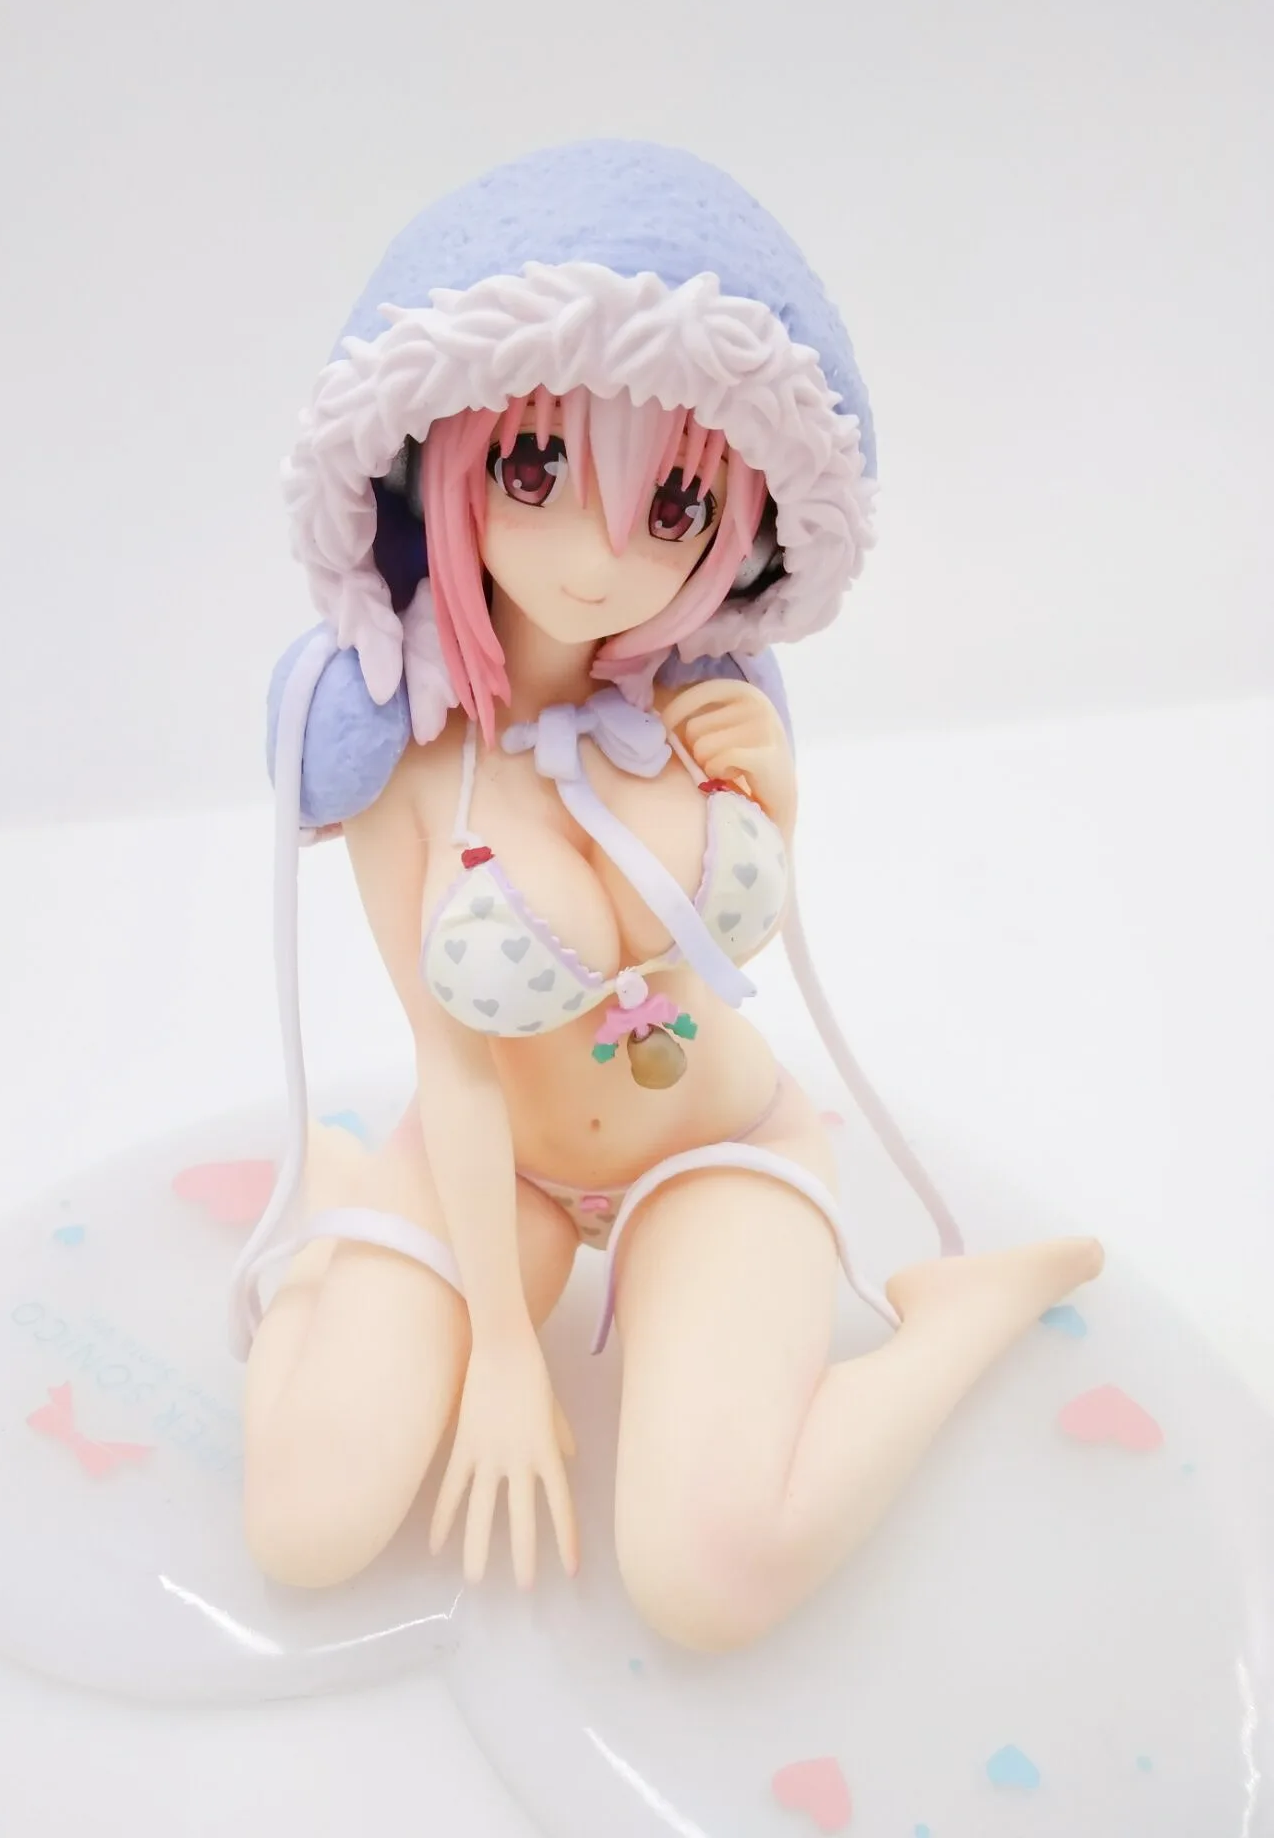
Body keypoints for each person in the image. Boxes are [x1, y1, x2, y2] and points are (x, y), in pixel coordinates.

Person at [230, 141, 1102, 1653]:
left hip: (717, 1145)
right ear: (447, 460)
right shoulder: (405, 752)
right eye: (536, 472)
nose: (600, 556)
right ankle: (343, 1211)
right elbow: (454, 1058)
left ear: (738, 524)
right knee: (307, 1531)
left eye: (678, 502)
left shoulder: (709, 707)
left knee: (709, 1580)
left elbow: (762, 920)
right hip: (491, 1166)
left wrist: (771, 796)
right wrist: (506, 1353)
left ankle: (957, 1320)